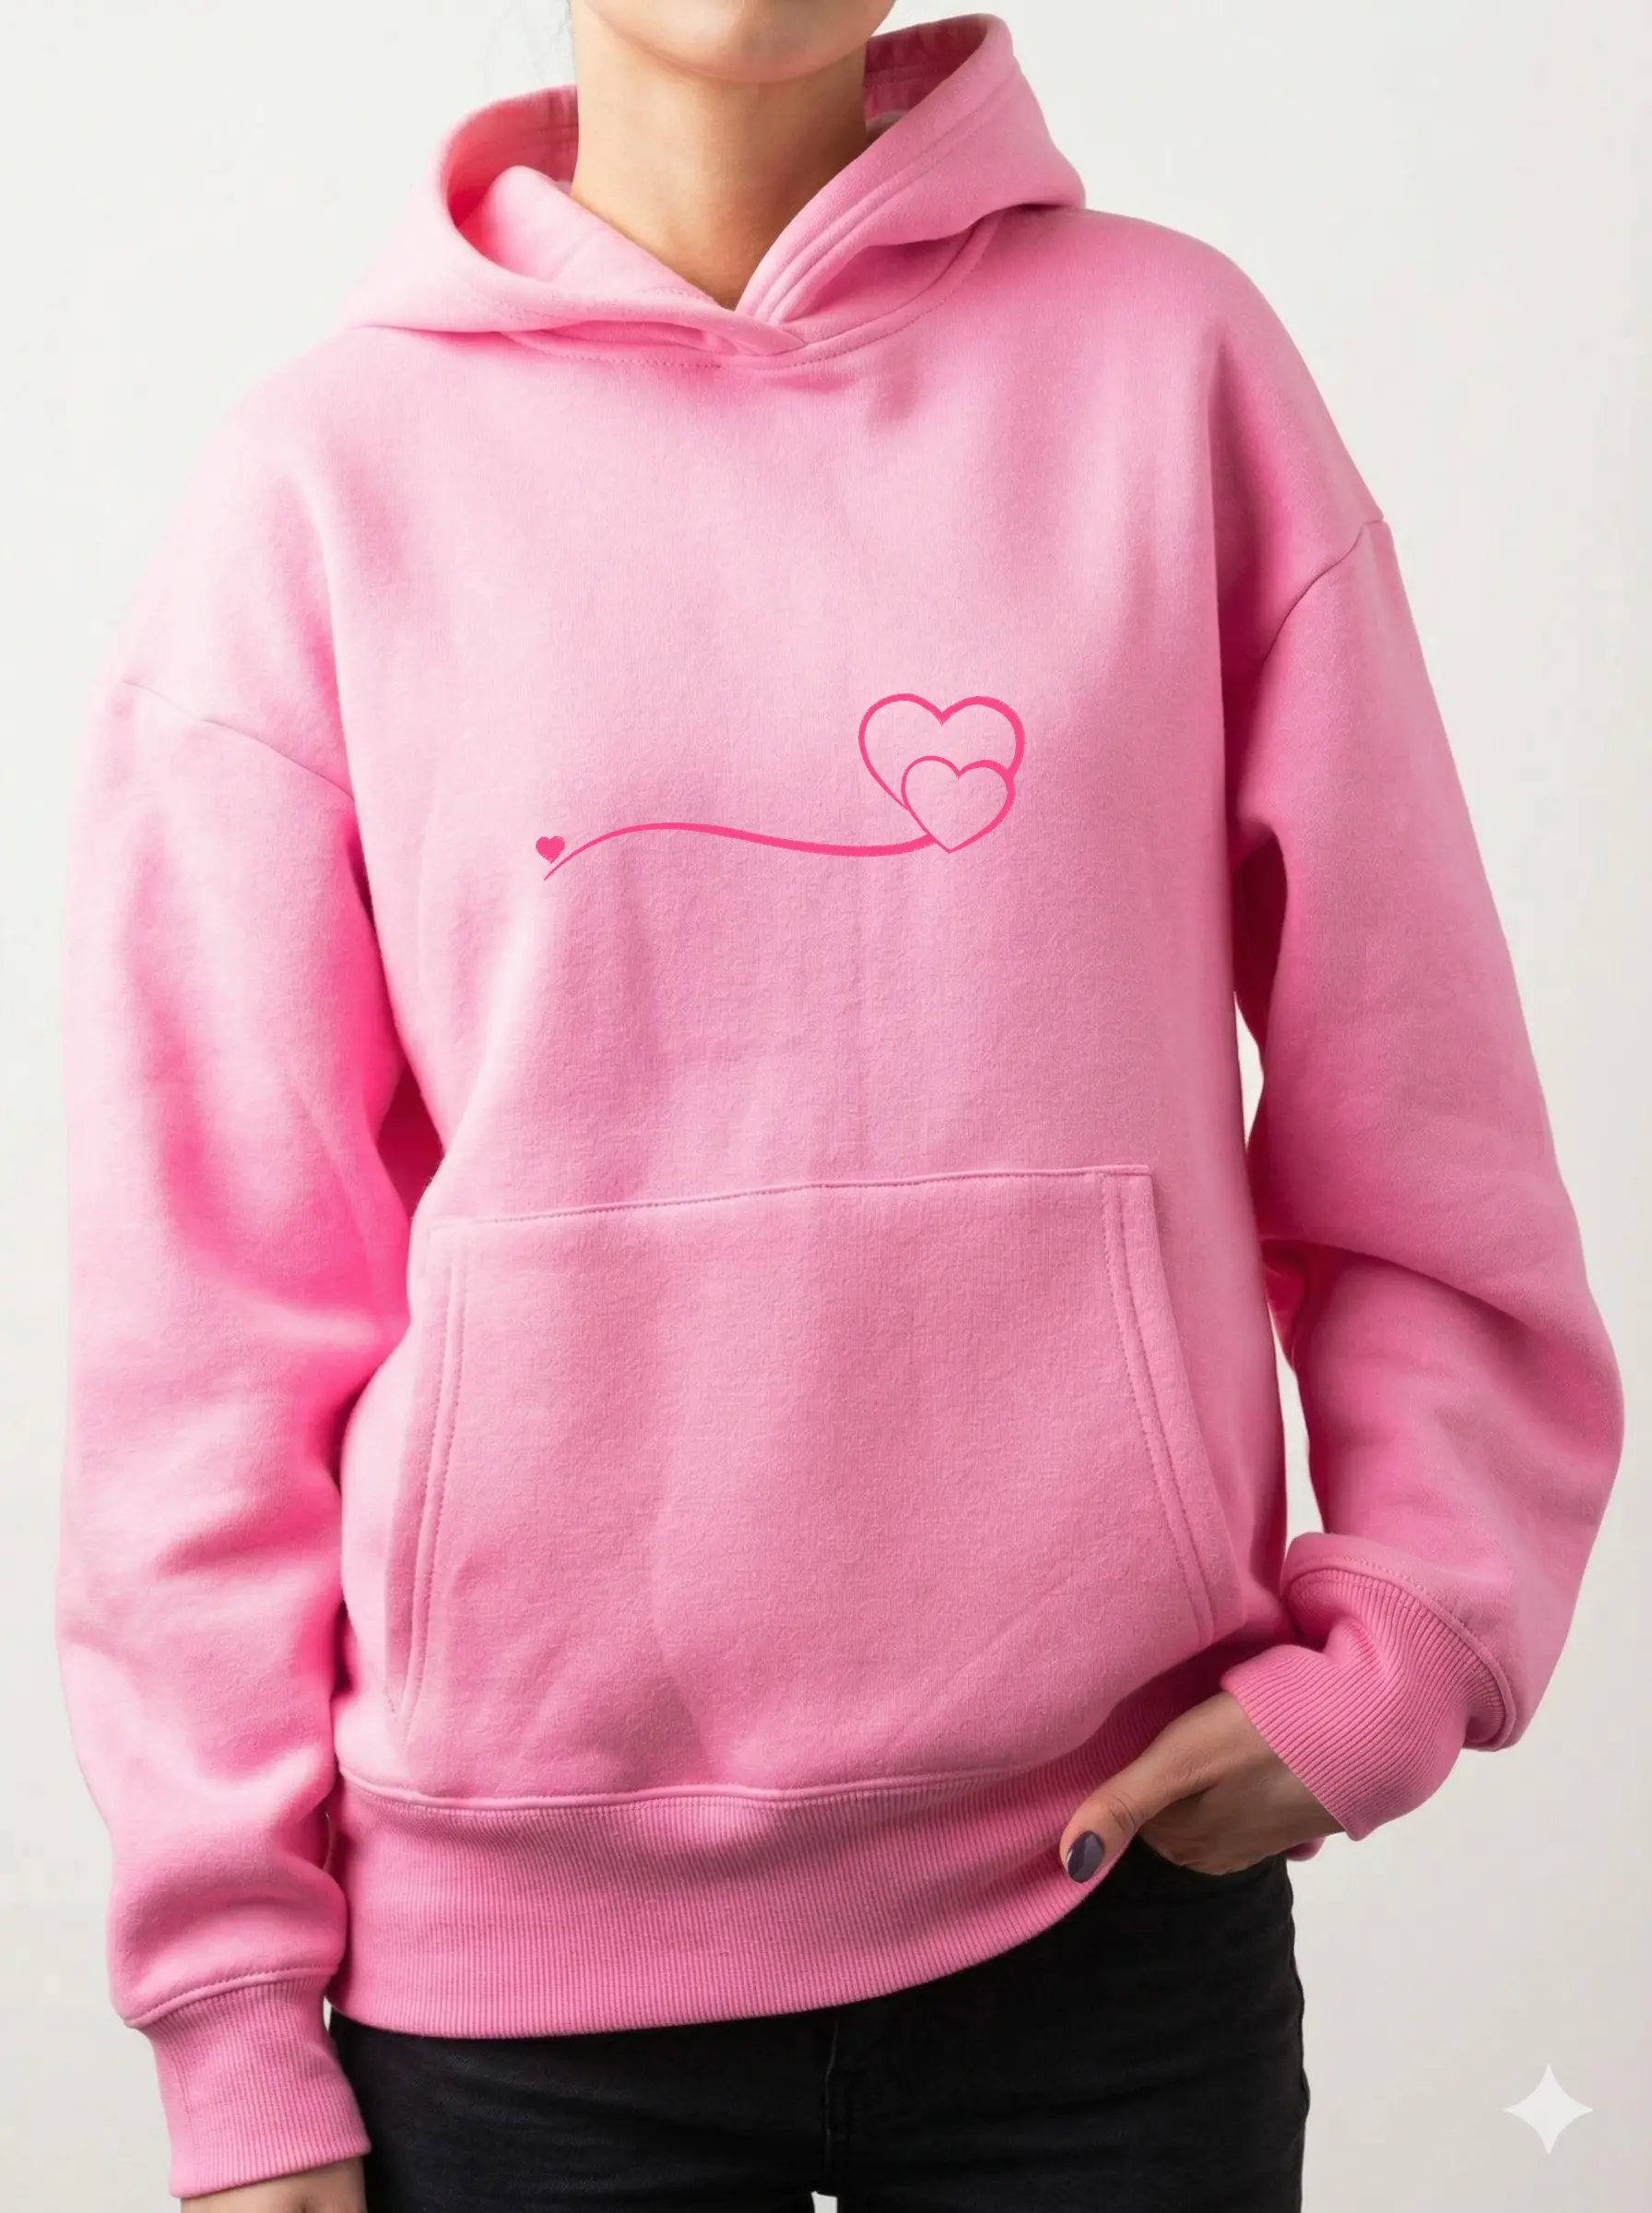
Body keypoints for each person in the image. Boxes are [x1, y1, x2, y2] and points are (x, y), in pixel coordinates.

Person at [55, 6, 1624, 2209]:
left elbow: (1416, 1088)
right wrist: (229, 2007)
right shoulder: (325, 482)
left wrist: (1408, 1634)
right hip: (506, 2005)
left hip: (1104, 1921)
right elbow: (207, 1312)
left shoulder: (1170, 371)